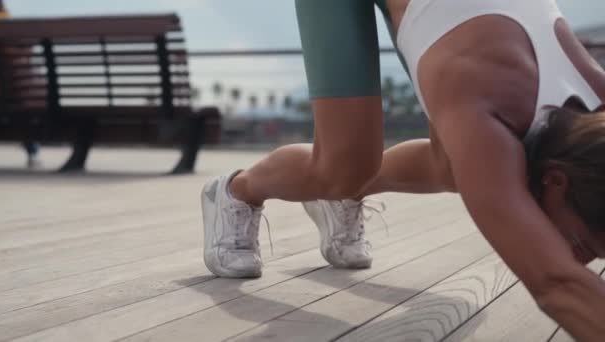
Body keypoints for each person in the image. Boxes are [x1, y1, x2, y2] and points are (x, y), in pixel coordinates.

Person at [201, 0, 605, 340]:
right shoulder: (485, 103)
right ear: (555, 179)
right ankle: (237, 191)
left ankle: (344, 199)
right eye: (581, 246)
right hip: (468, 50)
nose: (580, 261)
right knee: (342, 172)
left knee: (451, 169)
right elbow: (557, 284)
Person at [0, 0, 41, 168]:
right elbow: (10, 52)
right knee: (22, 104)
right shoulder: (4, 21)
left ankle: (32, 149)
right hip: (10, 95)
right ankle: (32, 149)